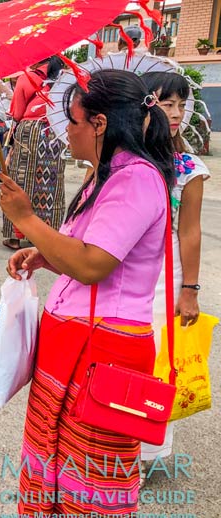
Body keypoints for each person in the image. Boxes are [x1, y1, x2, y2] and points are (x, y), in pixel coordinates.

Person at [1, 69, 174, 518]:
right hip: (76, 345)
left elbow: (95, 264)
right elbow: (86, 252)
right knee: (59, 473)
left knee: (90, 489)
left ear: (99, 123)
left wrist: (27, 219)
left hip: (103, 352)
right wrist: (45, 256)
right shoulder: (107, 175)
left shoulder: (134, 179)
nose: (66, 131)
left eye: (72, 120)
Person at [139, 71, 210, 471]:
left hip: (167, 273)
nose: (178, 112)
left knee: (158, 359)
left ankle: (146, 452)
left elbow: (192, 233)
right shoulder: (124, 157)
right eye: (168, 104)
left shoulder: (189, 167)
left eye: (182, 104)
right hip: (124, 268)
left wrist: (190, 289)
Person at [2, 56, 66, 250]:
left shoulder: (27, 77)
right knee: (50, 181)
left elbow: (18, 113)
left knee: (20, 180)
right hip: (55, 132)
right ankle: (43, 234)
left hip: (30, 131)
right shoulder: (64, 79)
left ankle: (15, 234)